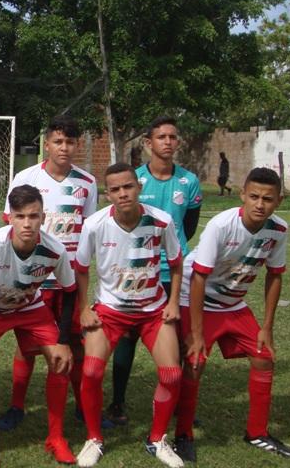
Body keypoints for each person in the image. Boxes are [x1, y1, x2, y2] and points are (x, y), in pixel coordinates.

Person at [173, 168, 290, 462]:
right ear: (242, 195)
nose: (260, 204)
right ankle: (183, 434)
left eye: (267, 199)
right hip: (196, 298)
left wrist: (267, 328)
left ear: (278, 200)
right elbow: (199, 277)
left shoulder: (279, 229)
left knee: (264, 357)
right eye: (254, 196)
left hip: (233, 304)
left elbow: (275, 275)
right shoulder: (221, 225)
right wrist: (197, 335)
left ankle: (257, 432)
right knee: (195, 362)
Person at [75, 163, 184, 468]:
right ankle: (94, 438)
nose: (123, 193)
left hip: (152, 310)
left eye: (128, 186)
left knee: (172, 375)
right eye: (115, 189)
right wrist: (84, 308)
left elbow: (176, 264)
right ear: (107, 194)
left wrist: (174, 302)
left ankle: (157, 439)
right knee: (91, 371)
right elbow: (81, 269)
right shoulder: (94, 224)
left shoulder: (161, 221)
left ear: (139, 187)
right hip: (110, 310)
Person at [0, 115, 98, 431]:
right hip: (34, 280)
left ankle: (81, 405)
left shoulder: (87, 183)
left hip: (69, 281)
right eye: (58, 141)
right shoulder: (26, 177)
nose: (64, 147)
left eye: (70, 142)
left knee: (75, 344)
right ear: (47, 144)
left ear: (76, 145)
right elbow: (11, 224)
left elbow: (88, 233)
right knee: (27, 346)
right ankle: (17, 406)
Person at [0, 185, 77, 467]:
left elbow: (70, 291)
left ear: (43, 217)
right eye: (20, 216)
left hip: (30, 308)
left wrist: (63, 341)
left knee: (60, 362)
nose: (27, 223)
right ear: (9, 218)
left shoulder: (55, 249)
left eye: (33, 216)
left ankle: (56, 438)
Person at [107, 116, 202, 425]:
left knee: (175, 337)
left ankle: (175, 404)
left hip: (173, 272)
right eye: (161, 137)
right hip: (135, 270)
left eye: (173, 137)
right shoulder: (133, 179)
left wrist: (170, 253)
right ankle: (117, 403)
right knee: (128, 337)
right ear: (148, 143)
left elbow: (188, 226)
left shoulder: (189, 182)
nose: (168, 142)